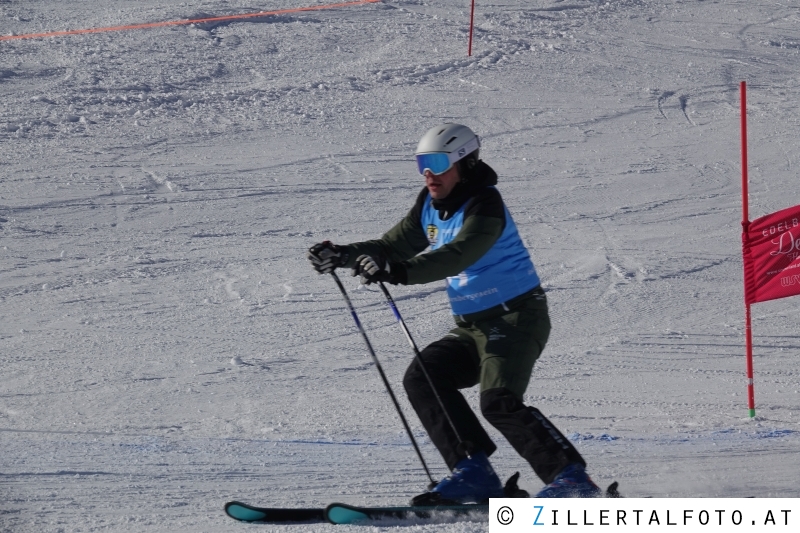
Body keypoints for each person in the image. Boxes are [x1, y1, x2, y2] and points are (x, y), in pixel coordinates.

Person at [307, 123, 601, 502]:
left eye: (438, 163)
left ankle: (572, 479)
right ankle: (473, 471)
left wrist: (397, 272)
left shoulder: (485, 205)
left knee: (498, 401)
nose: (429, 174)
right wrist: (343, 254)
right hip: (472, 326)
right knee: (424, 375)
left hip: (516, 317)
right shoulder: (430, 205)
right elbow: (391, 246)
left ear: (465, 163)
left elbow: (458, 254)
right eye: (422, 164)